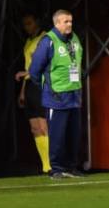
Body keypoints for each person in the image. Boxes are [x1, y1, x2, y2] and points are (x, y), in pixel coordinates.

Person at [28, 9, 84, 179]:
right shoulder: (48, 42)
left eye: (71, 21)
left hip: (74, 95)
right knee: (57, 134)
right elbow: (35, 70)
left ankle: (72, 166)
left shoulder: (74, 38)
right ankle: (56, 168)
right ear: (57, 23)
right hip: (57, 97)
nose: (69, 24)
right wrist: (49, 89)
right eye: (66, 21)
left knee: (73, 134)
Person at [13, 13, 51, 175]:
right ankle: (45, 165)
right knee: (35, 127)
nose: (26, 27)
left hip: (41, 84)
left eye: (29, 23)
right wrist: (22, 91)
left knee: (44, 125)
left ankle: (53, 163)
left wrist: (26, 73)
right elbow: (28, 65)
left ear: (37, 22)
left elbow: (46, 64)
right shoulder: (29, 41)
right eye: (24, 24)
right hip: (29, 85)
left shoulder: (45, 39)